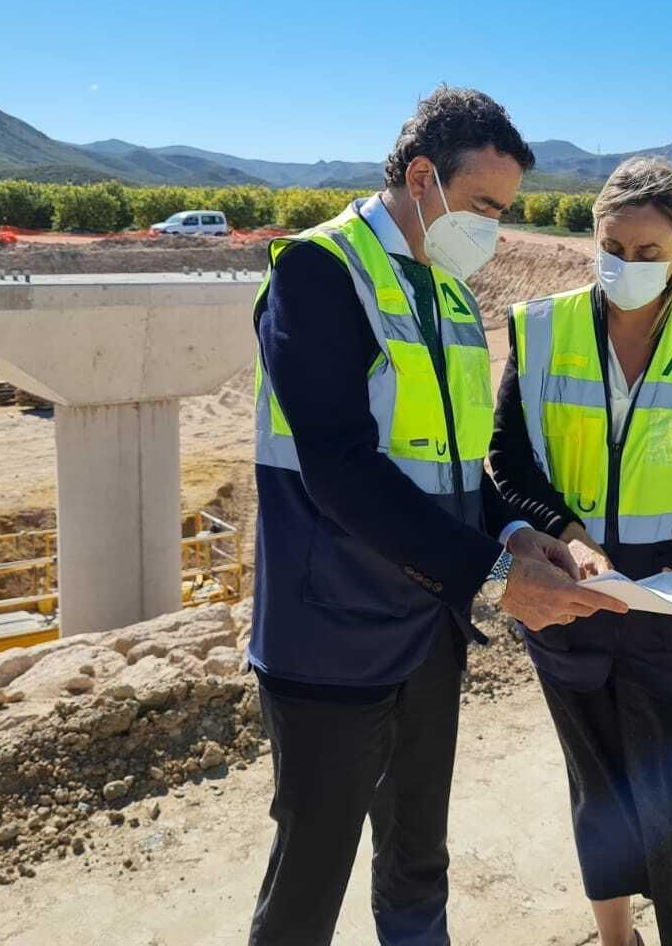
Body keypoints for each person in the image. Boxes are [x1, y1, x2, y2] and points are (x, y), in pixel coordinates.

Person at [247, 85, 626, 946]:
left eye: (505, 210)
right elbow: (341, 468)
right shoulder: (319, 271)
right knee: (309, 879)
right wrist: (496, 577)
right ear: (423, 176)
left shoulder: (451, 297)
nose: (493, 227)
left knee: (419, 861)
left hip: (426, 632)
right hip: (331, 634)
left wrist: (516, 531)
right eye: (485, 204)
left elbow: (455, 471)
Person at [489, 157, 672, 946]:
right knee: (596, 783)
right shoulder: (541, 329)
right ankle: (615, 936)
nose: (627, 267)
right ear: (593, 240)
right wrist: (570, 538)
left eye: (648, 253)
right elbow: (508, 462)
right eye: (614, 248)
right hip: (568, 595)